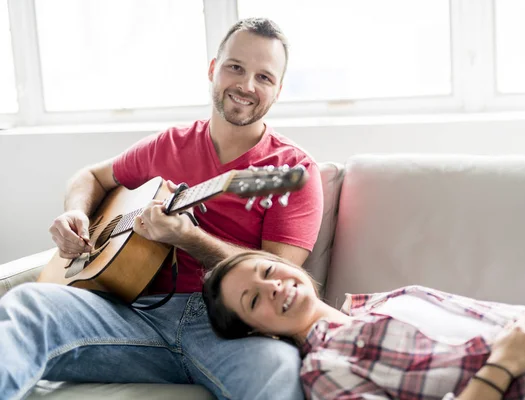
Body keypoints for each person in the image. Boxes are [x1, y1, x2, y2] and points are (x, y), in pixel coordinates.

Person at [0, 18, 324, 400]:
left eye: (264, 77)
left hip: (232, 329)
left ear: (279, 90)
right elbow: (90, 176)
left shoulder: (293, 171)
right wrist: (77, 214)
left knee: (280, 374)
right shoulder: (169, 145)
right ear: (212, 69)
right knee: (27, 304)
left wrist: (189, 239)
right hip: (136, 313)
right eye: (235, 67)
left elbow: (280, 274)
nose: (247, 86)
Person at [202, 250, 525, 400]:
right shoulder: (324, 372)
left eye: (268, 270)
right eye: (253, 299)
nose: (272, 287)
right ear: (259, 332)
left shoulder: (381, 302)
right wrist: (504, 364)